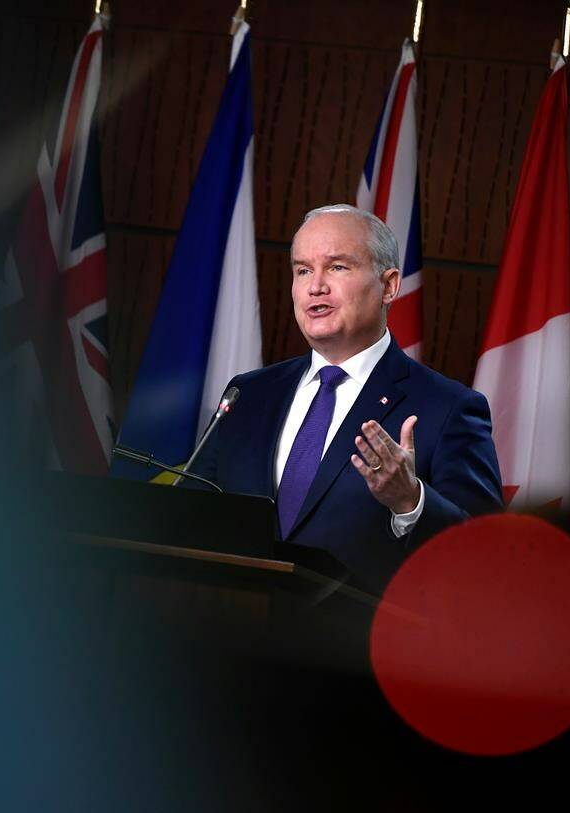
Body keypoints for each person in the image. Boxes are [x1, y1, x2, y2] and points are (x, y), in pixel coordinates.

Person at [189, 204, 503, 594]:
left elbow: (486, 556)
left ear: (388, 286)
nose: (315, 286)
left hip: (353, 647)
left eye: (337, 267)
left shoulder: (448, 408)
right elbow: (191, 514)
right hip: (226, 636)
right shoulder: (249, 394)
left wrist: (412, 502)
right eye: (303, 270)